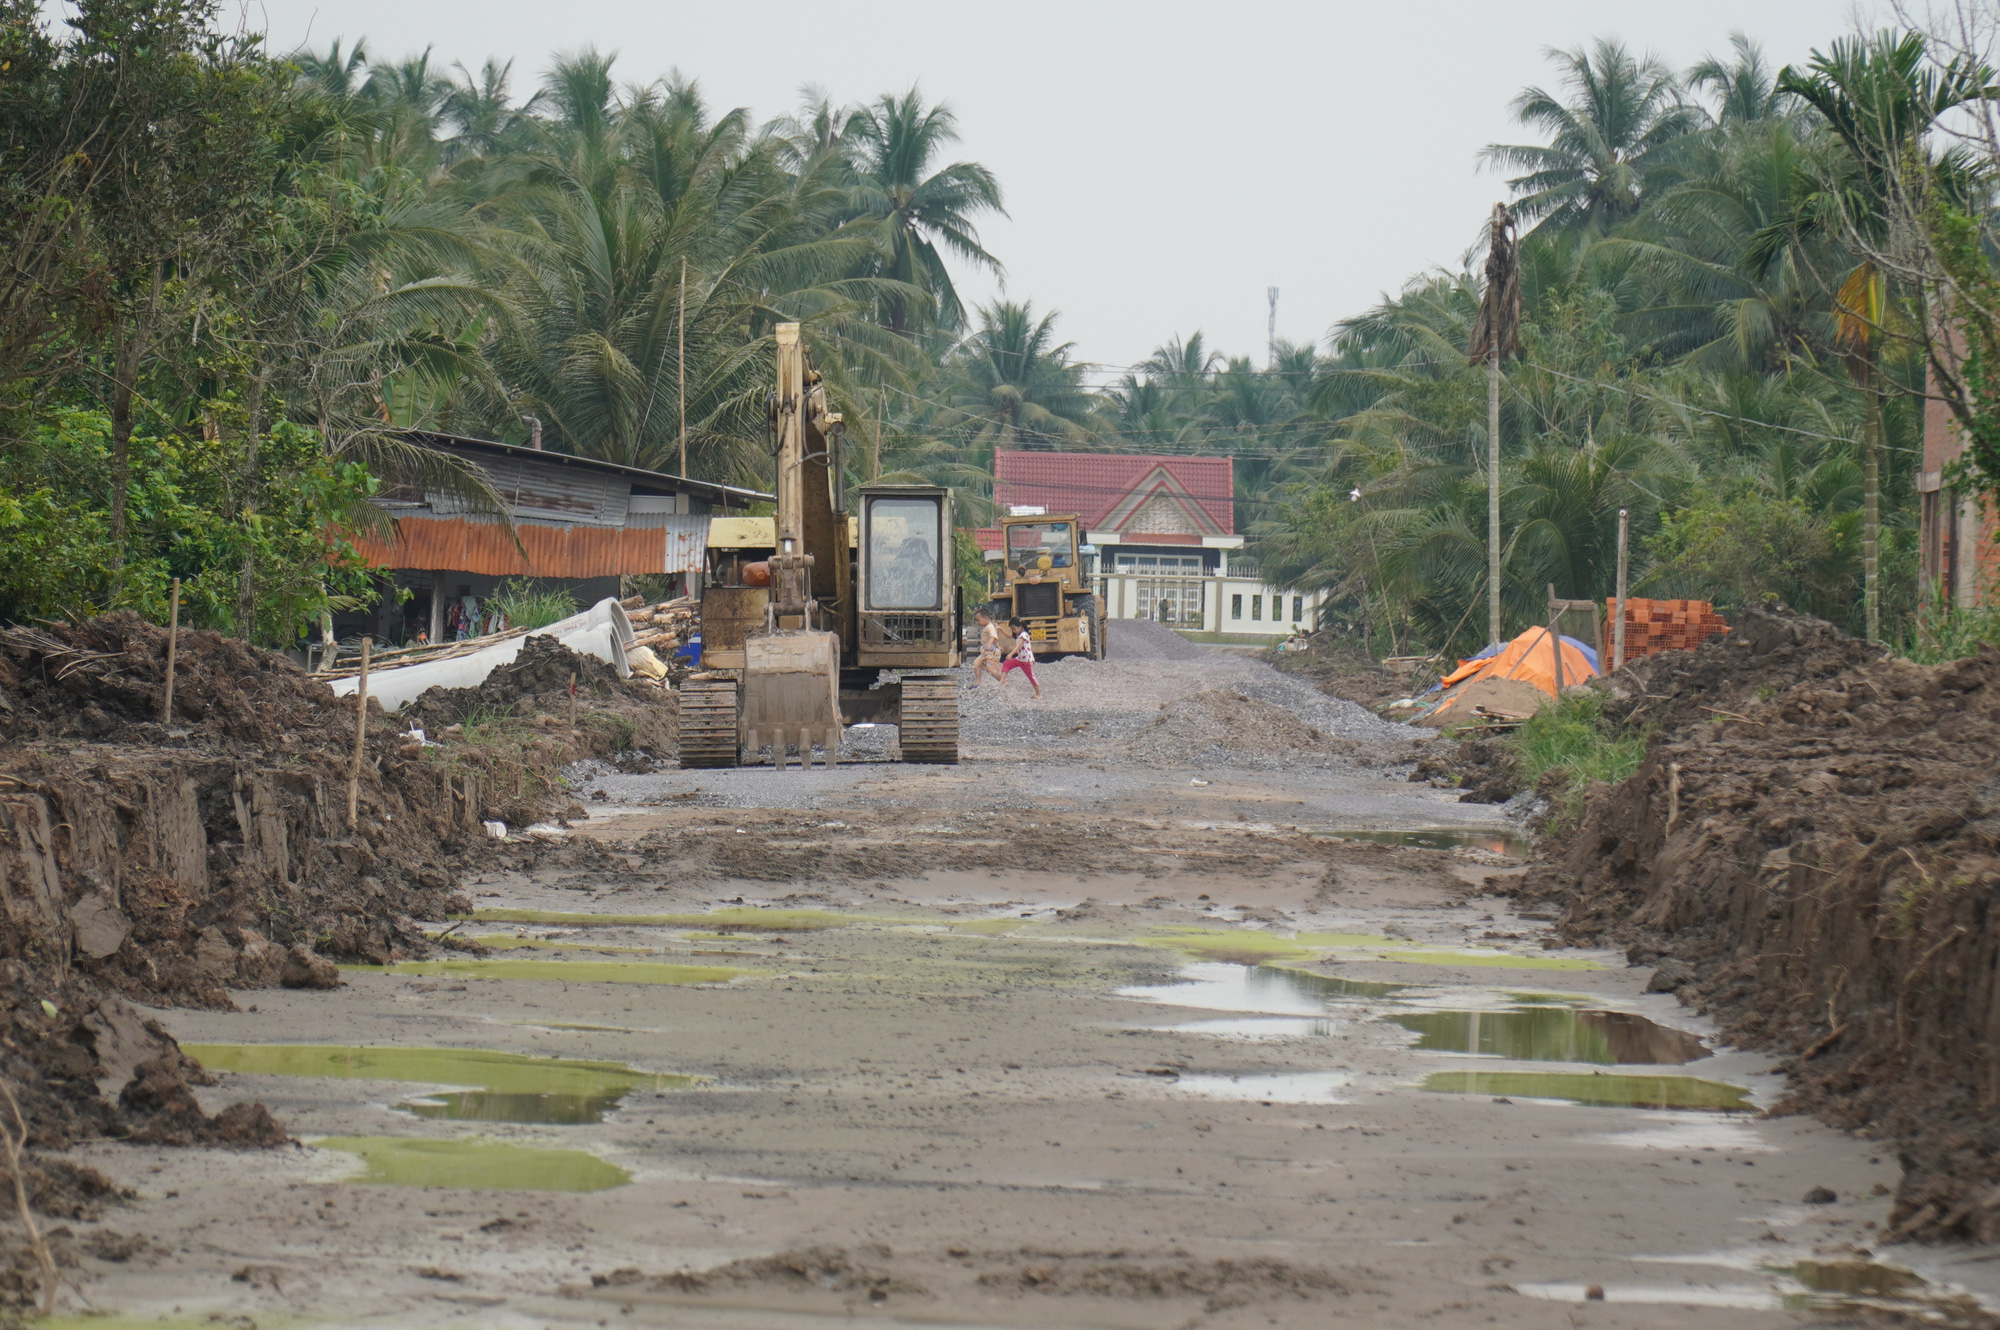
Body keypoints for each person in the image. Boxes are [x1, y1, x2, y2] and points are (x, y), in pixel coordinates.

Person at [1001, 615, 1042, 699]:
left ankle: (1039, 694)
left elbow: (1018, 646)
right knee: (1006, 664)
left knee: (1031, 677)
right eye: (1012, 629)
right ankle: (1002, 681)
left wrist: (1011, 654)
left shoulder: (1024, 635)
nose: (1013, 631)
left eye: (1014, 629)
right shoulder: (1019, 634)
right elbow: (1008, 636)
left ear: (1020, 627)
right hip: (1020, 659)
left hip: (1027, 660)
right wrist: (1000, 629)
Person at [971, 608, 1005, 686]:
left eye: (978, 620)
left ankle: (1003, 681)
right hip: (984, 652)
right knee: (976, 664)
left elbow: (993, 636)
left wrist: (989, 645)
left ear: (985, 618)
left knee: (992, 669)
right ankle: (978, 681)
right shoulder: (986, 627)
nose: (978, 622)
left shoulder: (990, 627)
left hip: (990, 652)